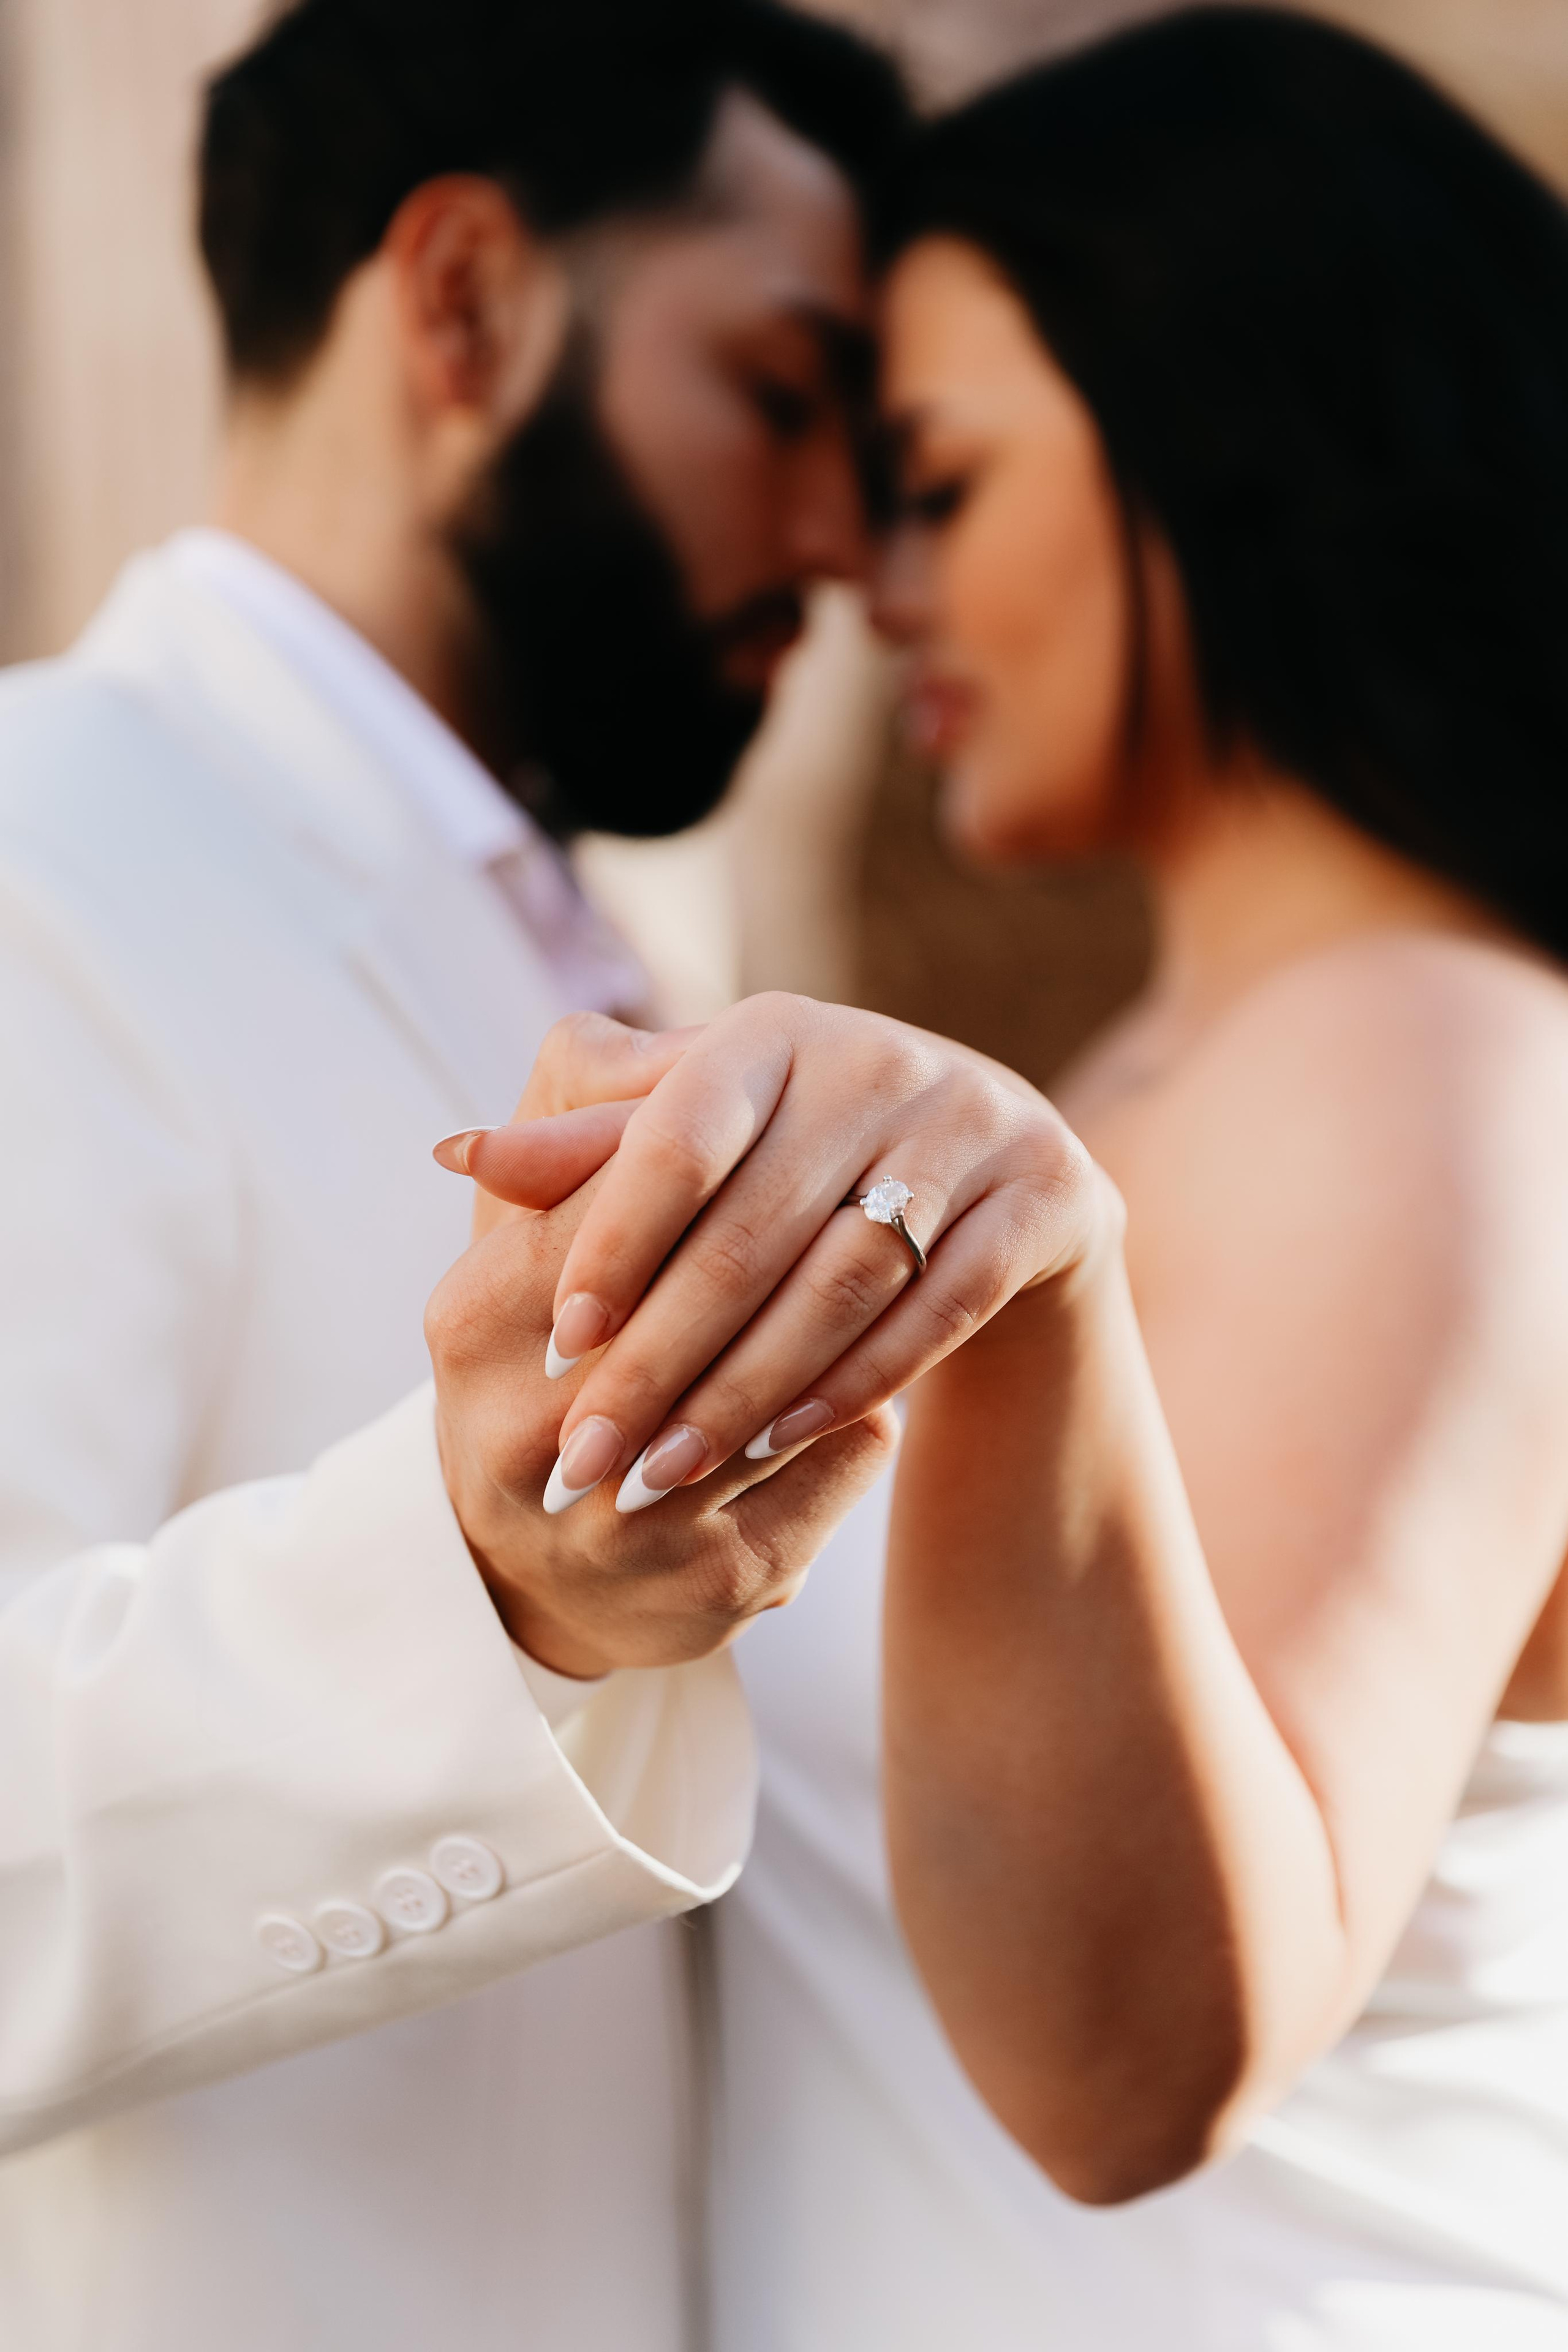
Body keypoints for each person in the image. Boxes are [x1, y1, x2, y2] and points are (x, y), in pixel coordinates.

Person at [458, 12, 1568, 2343]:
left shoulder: (1420, 1059)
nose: (864, 571)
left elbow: (1129, 2070)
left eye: (940, 484)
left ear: (1229, 438)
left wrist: (1020, 1305)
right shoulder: (1228, 1054)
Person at [0, 4, 912, 2346]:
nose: (842, 542)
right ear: (469, 303)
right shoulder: (35, 854)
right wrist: (489, 1594)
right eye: (785, 396)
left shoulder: (647, 950)